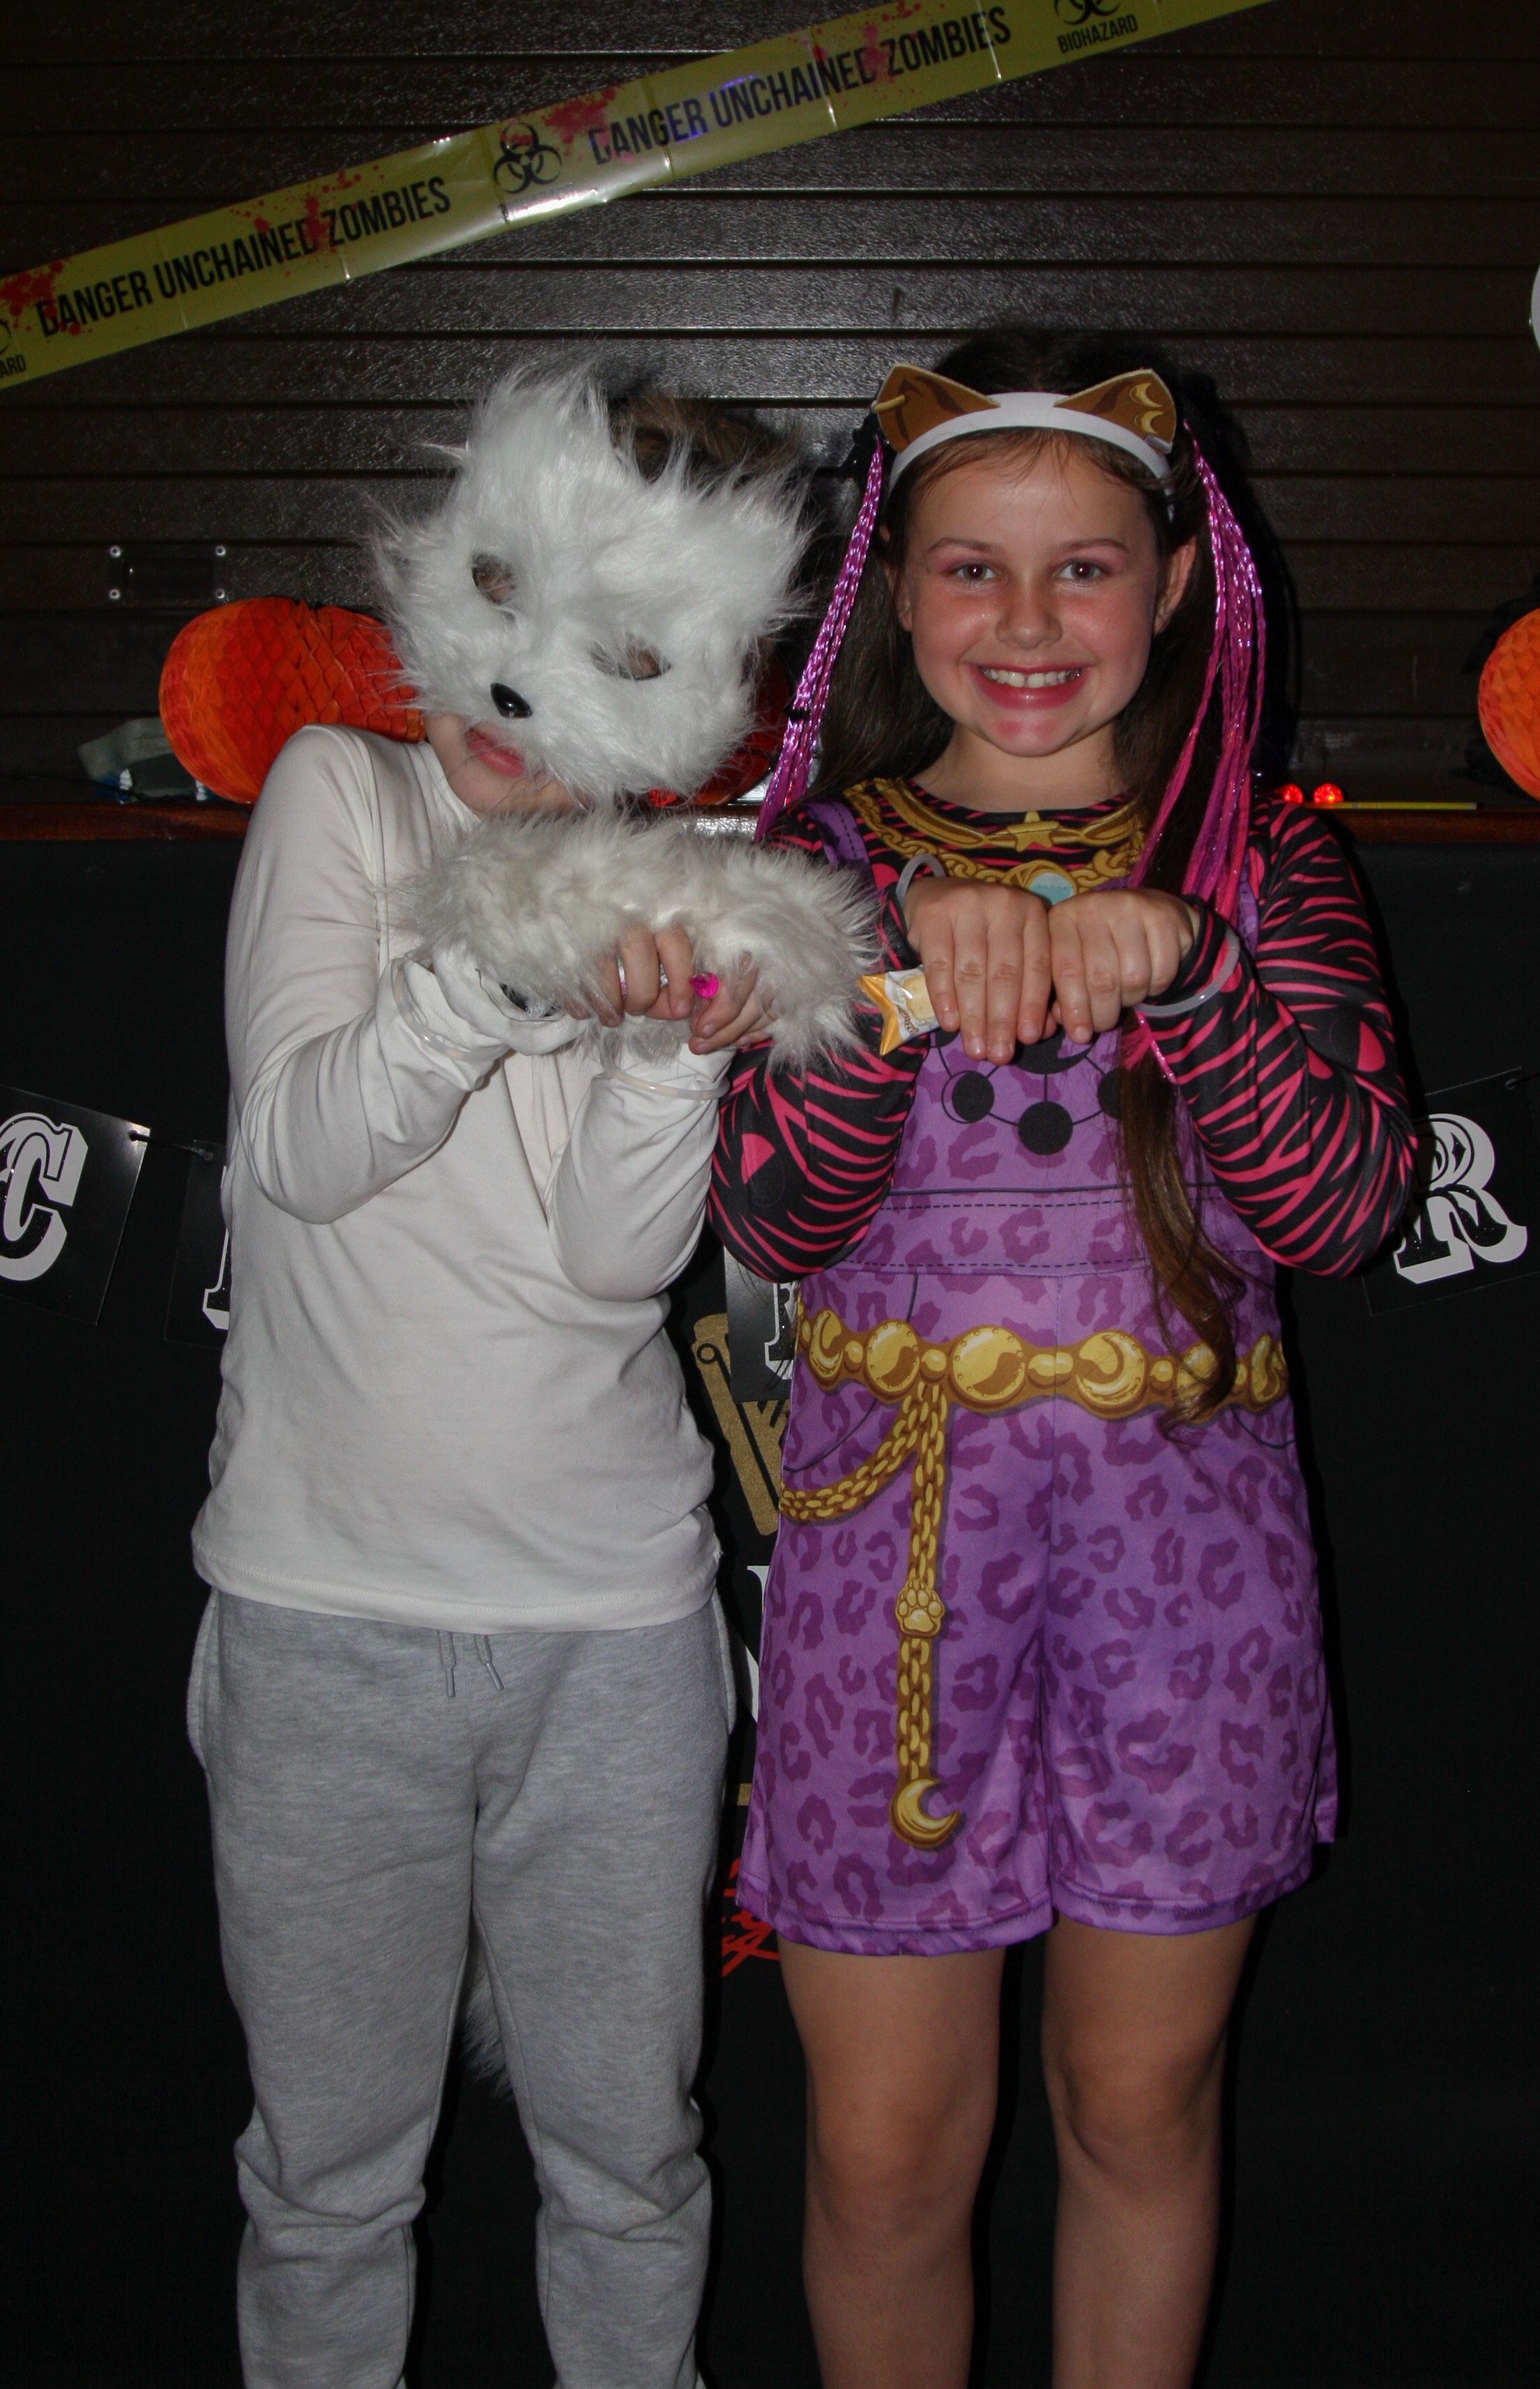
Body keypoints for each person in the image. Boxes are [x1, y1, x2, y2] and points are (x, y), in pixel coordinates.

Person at [708, 332, 1417, 2389]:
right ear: (896, 590)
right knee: (881, 2153)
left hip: (1192, 1585)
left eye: (1084, 566)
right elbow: (771, 1216)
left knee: (1139, 2105)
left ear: (1175, 584)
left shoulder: (1264, 858)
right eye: (974, 568)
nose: (1027, 622)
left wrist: (1195, 981)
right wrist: (888, 982)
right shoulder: (814, 870)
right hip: (890, 1581)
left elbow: (1348, 1212)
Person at [184, 371, 808, 2389]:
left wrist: (677, 1049)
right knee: (327, 2180)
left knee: (628, 2164)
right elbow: (298, 1148)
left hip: (610, 1628)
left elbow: (617, 1263)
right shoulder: (345, 798)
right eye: (505, 595)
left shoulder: (672, 887)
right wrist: (490, 974)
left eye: (617, 652)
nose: (524, 693)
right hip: (325, 1616)